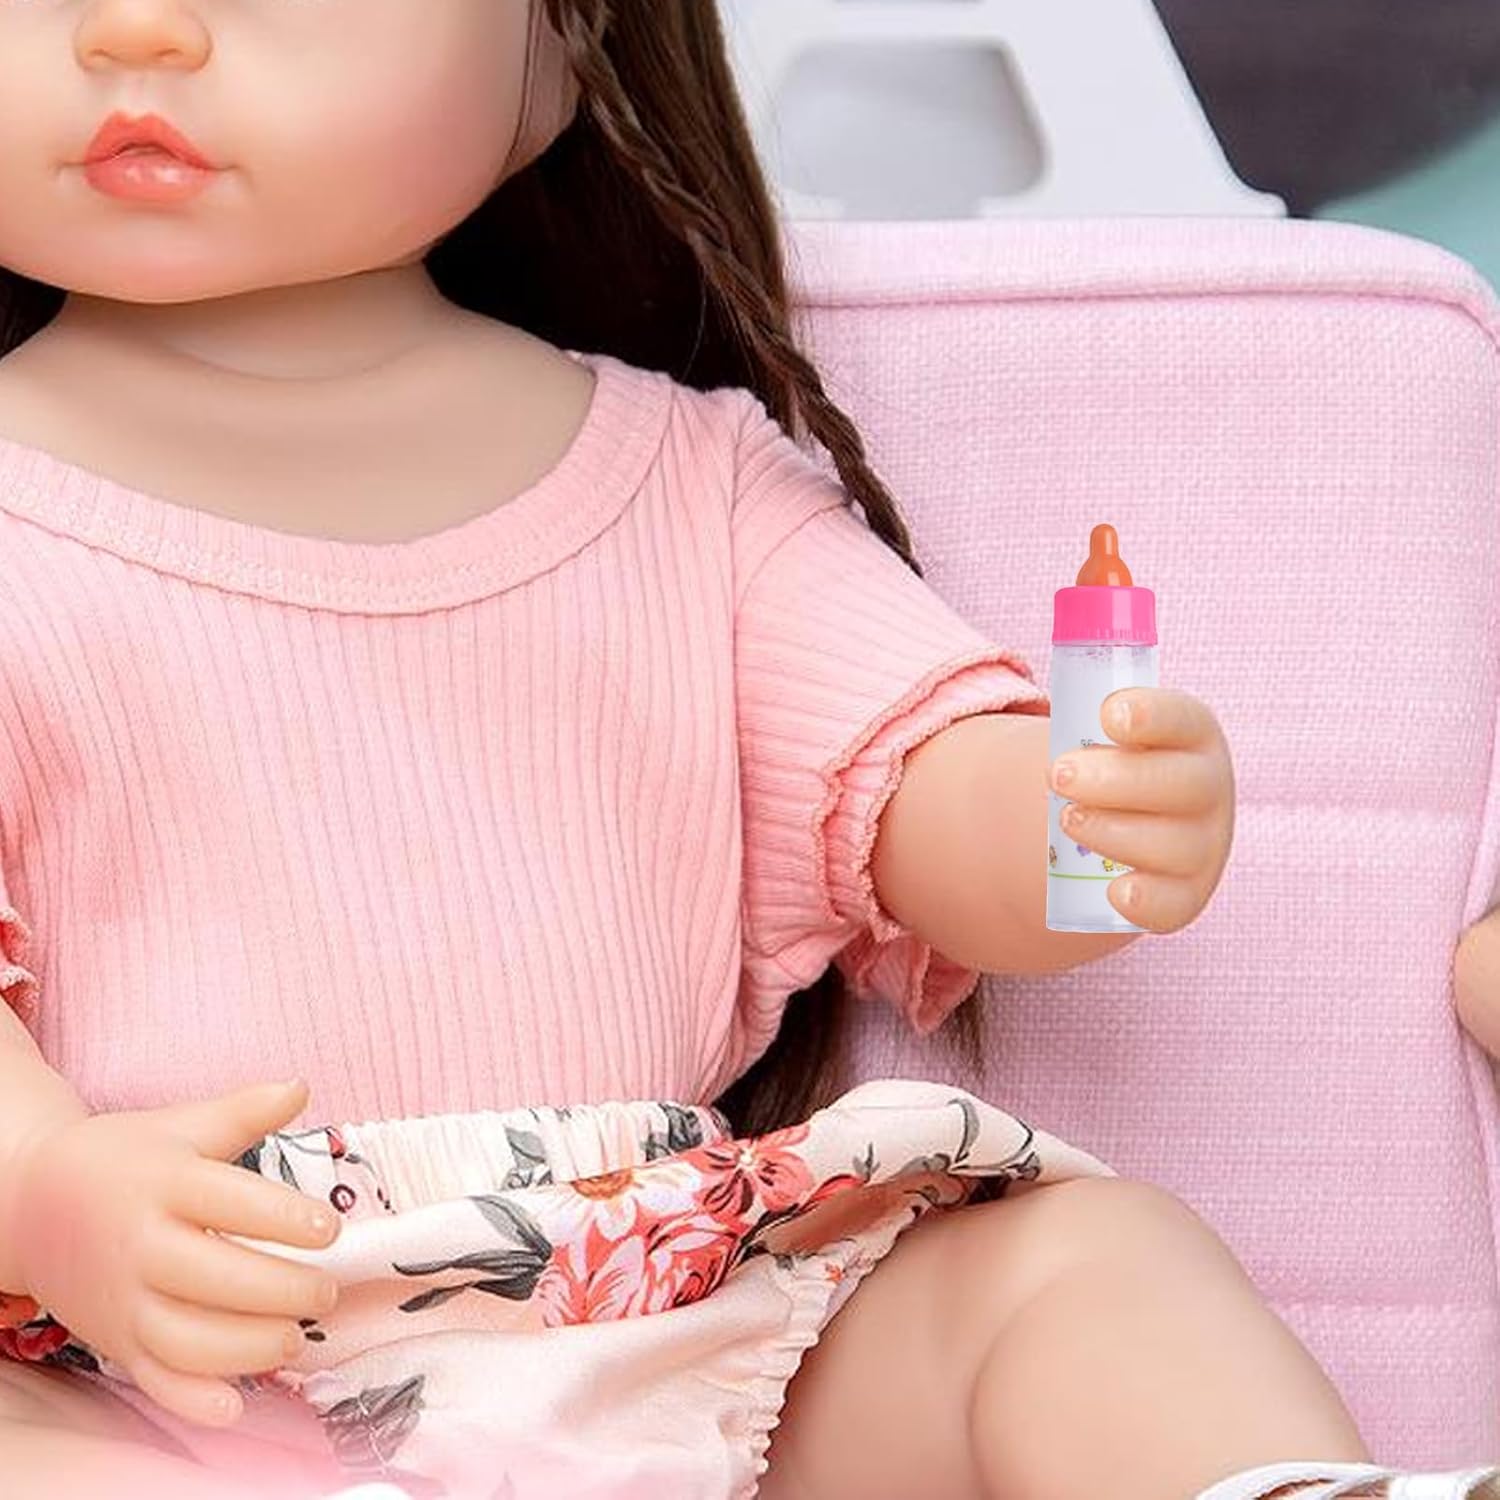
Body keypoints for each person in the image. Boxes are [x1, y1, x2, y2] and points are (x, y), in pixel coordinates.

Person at [0, 3, 1491, 1499]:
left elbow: (914, 797)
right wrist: (41, 1189)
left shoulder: (691, 483)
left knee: (1084, 1263)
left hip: (678, 1318)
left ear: (572, 33)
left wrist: (1081, 822)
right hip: (168, 1371)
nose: (136, 28)